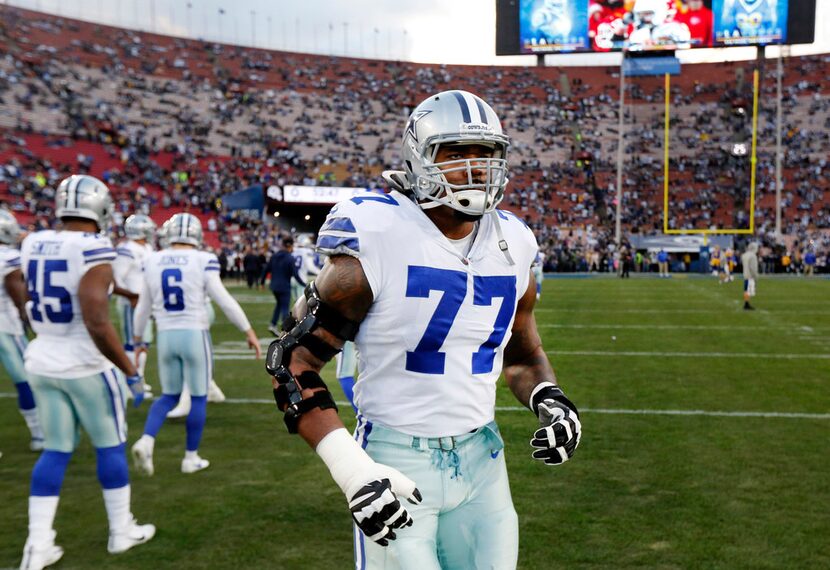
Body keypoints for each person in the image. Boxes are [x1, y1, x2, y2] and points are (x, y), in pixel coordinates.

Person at [264, 90, 581, 568]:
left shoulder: (513, 240)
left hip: (483, 462)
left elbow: (521, 356)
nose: (476, 170)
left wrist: (549, 398)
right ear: (420, 158)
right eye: (456, 154)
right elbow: (293, 360)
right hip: (395, 460)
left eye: (486, 154)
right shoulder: (378, 231)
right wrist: (353, 472)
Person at [19, 175, 154, 569]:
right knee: (109, 445)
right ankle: (120, 531)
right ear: (101, 207)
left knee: (56, 449)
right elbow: (96, 319)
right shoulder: (94, 246)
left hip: (42, 357)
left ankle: (38, 544)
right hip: (84, 364)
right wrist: (129, 369)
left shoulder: (31, 242)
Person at [130, 214, 261, 476]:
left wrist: (136, 339)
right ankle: (190, 457)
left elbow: (143, 307)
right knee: (199, 397)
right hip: (194, 333)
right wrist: (248, 331)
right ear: (196, 235)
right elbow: (224, 300)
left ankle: (146, 440)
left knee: (168, 396)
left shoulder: (152, 259)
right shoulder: (203, 259)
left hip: (165, 334)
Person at [0, 209, 44, 451]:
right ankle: (39, 434)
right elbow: (19, 299)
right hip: (6, 327)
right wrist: (31, 324)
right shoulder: (9, 257)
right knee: (25, 380)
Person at [112, 214, 156, 390]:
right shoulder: (126, 250)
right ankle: (131, 384)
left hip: (146, 302)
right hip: (132, 302)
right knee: (132, 343)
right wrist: (131, 296)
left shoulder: (147, 248)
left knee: (144, 342)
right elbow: (116, 279)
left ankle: (139, 379)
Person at [267, 236, 303, 336]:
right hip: (284, 286)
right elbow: (295, 274)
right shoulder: (290, 258)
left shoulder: (274, 256)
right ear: (291, 246)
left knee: (279, 305)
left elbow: (267, 268)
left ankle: (272, 324)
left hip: (274, 286)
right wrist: (303, 284)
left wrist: (261, 282)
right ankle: (285, 330)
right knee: (285, 308)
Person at [741, 242, 759, 310]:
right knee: (749, 291)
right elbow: (753, 268)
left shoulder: (744, 255)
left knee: (746, 291)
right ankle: (746, 304)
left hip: (745, 274)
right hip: (750, 275)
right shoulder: (752, 256)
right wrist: (755, 276)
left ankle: (746, 303)